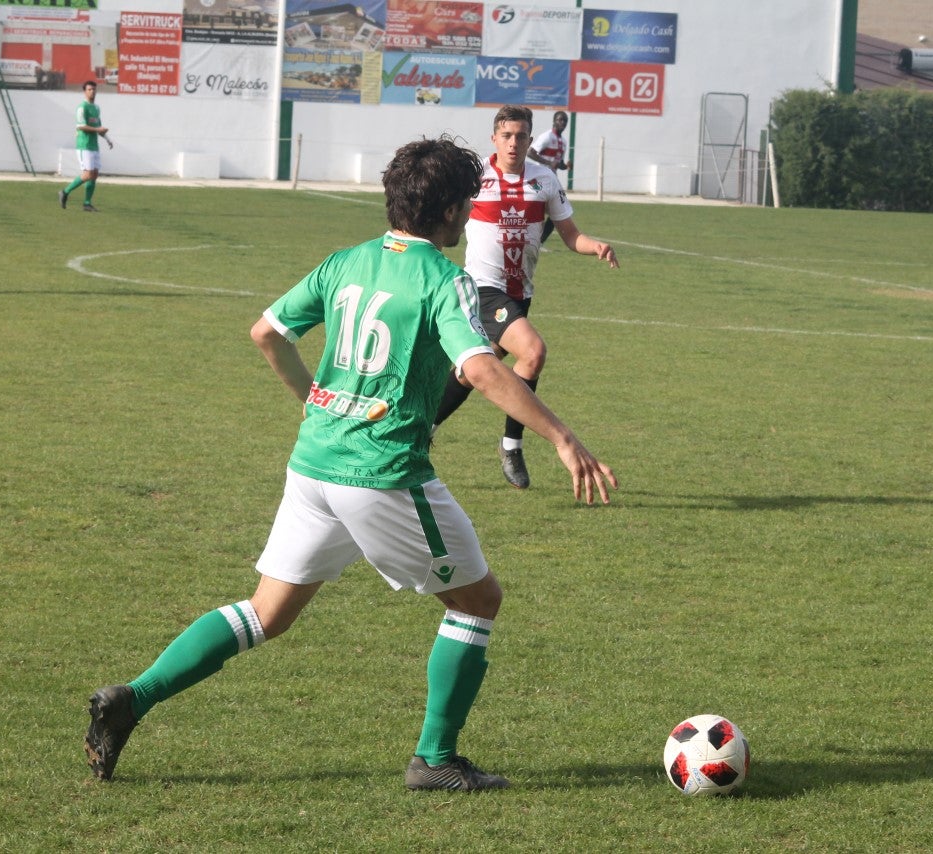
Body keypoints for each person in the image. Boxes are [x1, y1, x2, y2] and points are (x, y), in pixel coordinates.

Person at [83, 136, 617, 791]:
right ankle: (436, 760)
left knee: (267, 613)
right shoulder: (443, 281)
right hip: (382, 473)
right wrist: (561, 436)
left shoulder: (346, 262)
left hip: (313, 464)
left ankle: (133, 698)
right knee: (478, 600)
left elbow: (266, 334)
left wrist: (316, 399)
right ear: (450, 210)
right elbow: (480, 369)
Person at [431, 105, 619, 490]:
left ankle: (421, 429)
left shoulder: (544, 179)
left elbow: (570, 235)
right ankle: (511, 446)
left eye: (520, 136)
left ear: (531, 139)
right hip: (482, 288)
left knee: (469, 372)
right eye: (506, 135)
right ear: (494, 138)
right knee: (532, 352)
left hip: (520, 294)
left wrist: (594, 245)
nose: (513, 142)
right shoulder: (475, 177)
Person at [58, 80, 113, 212]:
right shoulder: (82, 107)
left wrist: (107, 138)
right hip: (84, 145)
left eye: (94, 89)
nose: (92, 92)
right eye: (89, 89)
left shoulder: (96, 108)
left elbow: (98, 127)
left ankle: (87, 203)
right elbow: (80, 126)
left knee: (94, 174)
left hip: (94, 145)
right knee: (88, 174)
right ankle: (65, 192)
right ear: (85, 91)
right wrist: (98, 130)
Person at [527, 110, 573, 244]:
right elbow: (530, 152)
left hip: (552, 179)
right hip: (539, 177)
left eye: (565, 121)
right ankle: (530, 238)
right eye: (560, 119)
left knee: (556, 211)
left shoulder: (563, 142)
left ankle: (540, 241)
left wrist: (566, 166)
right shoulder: (547, 136)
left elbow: (558, 164)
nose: (562, 123)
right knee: (539, 209)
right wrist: (548, 163)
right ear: (554, 121)